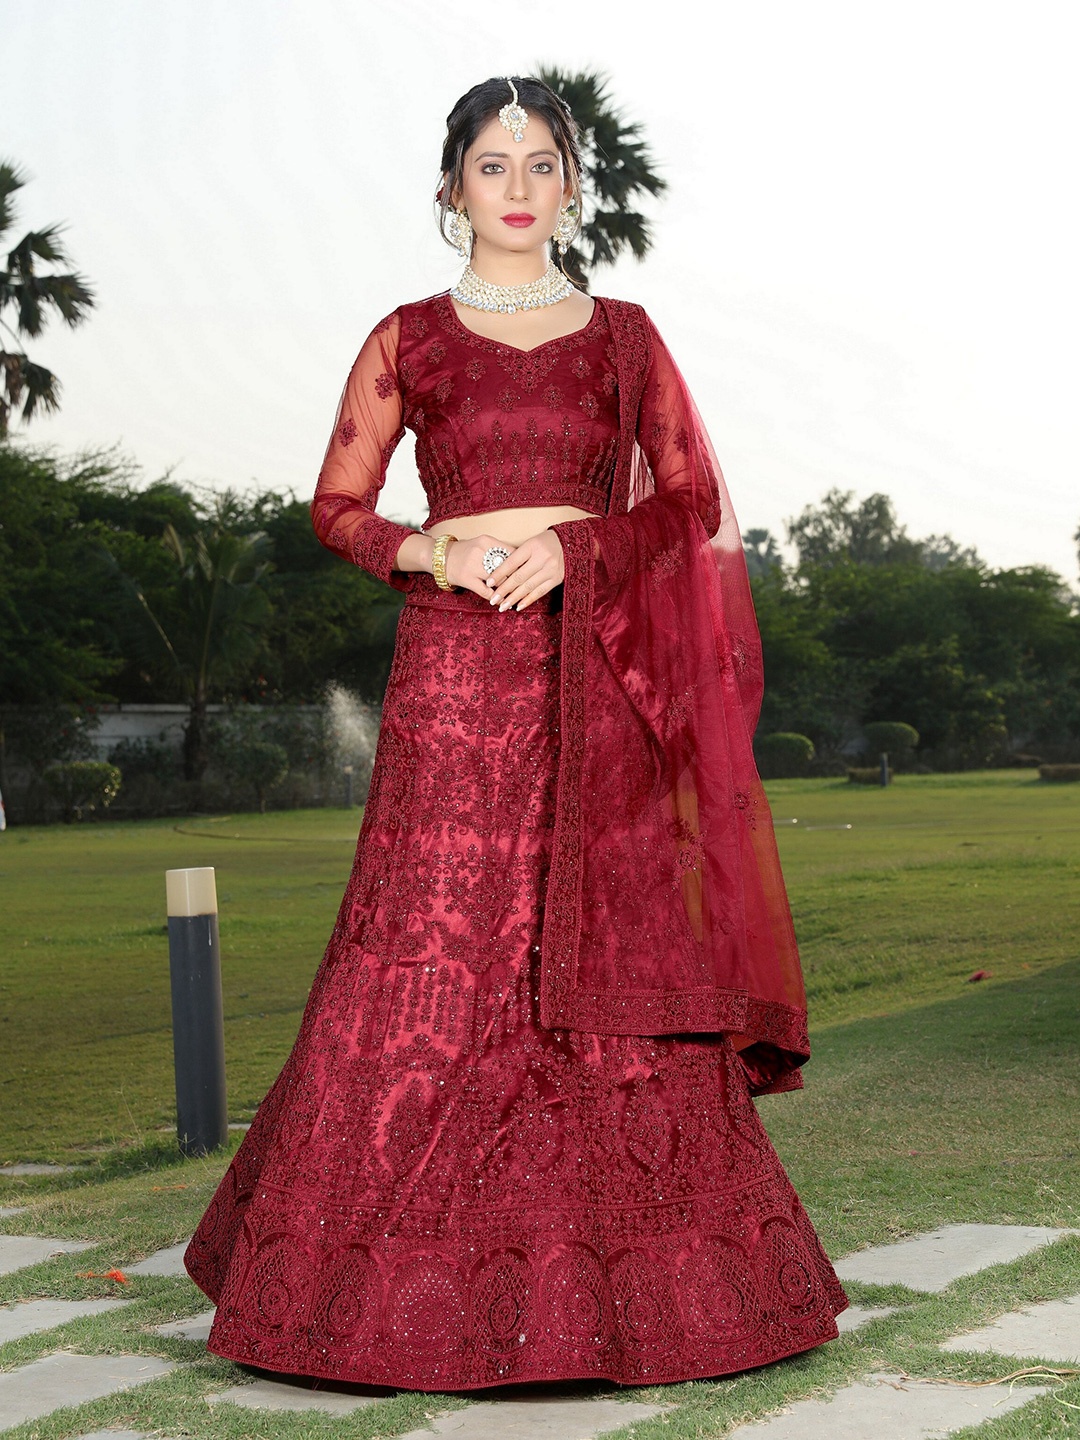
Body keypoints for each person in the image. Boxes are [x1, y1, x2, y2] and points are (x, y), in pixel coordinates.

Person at [185, 74, 848, 1392]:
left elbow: (689, 503)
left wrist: (576, 551)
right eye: (493, 166)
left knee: (595, 941)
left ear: (571, 186)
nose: (520, 187)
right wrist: (422, 545)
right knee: (429, 945)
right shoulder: (408, 338)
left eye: (543, 164)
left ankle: (641, 1296)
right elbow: (335, 503)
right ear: (452, 191)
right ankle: (362, 1283)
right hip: (451, 666)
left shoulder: (627, 337)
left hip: (591, 667)